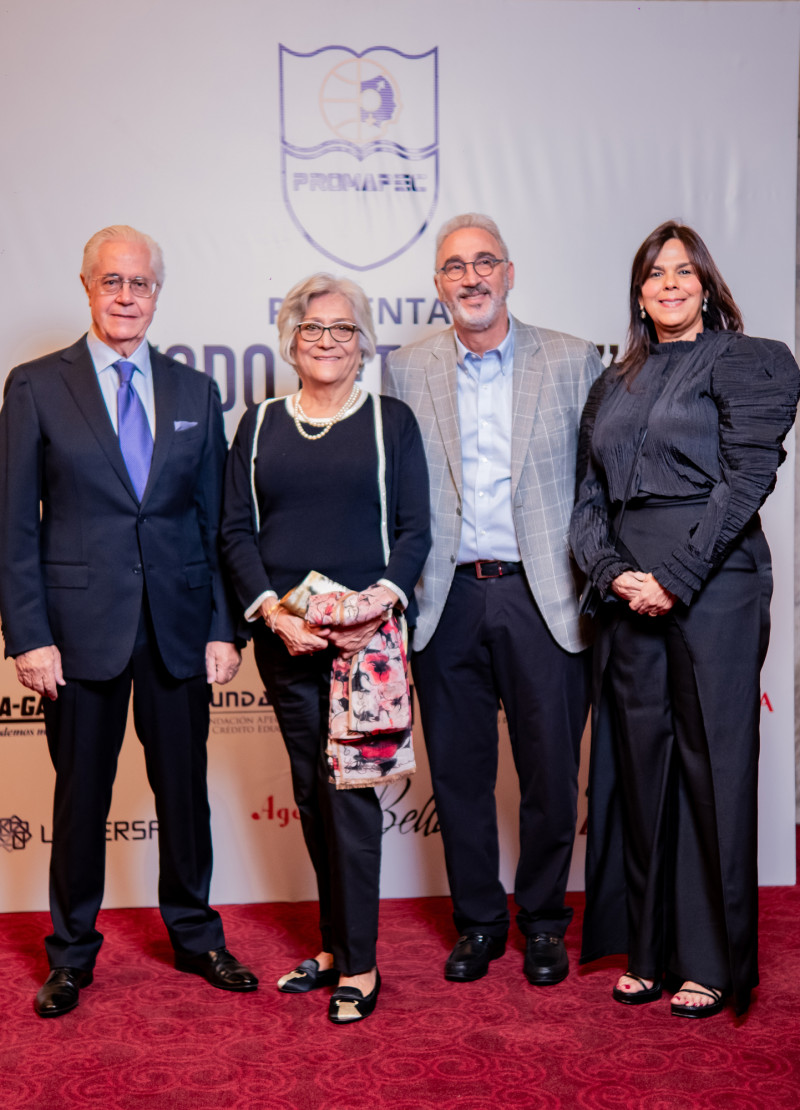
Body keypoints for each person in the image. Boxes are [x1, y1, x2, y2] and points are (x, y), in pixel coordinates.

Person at [0, 225, 257, 1018]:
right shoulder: (37, 385)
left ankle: (196, 935)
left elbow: (216, 524)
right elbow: (14, 525)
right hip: (77, 636)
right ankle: (72, 953)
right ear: (85, 286)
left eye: (139, 283)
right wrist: (30, 634)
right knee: (82, 796)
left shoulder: (194, 391)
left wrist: (224, 627)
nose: (125, 295)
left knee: (184, 794)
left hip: (180, 626)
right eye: (111, 281)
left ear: (156, 293)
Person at [569, 220, 800, 1018]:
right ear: (638, 291)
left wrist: (677, 575)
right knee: (639, 769)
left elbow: (748, 477)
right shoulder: (613, 380)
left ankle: (709, 959)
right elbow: (588, 499)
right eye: (653, 273)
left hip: (716, 582)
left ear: (705, 282)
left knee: (712, 766)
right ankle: (650, 948)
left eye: (682, 271)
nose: (668, 284)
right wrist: (612, 571)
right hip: (628, 590)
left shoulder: (747, 360)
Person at [383, 214, 603, 986]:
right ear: (438, 284)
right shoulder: (406, 370)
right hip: (445, 600)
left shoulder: (574, 360)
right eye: (453, 267)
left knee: (549, 775)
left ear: (510, 273)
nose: (470, 278)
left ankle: (543, 920)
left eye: (484, 263)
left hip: (543, 598)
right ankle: (478, 921)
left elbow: (600, 486)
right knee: (460, 776)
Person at [221, 273, 430, 1023]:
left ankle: (363, 965)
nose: (329, 342)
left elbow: (414, 533)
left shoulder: (391, 422)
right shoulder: (260, 424)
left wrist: (374, 606)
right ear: (291, 339)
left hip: (364, 647)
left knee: (350, 798)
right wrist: (273, 614)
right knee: (311, 794)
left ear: (364, 342)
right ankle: (337, 945)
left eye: (344, 330)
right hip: (289, 639)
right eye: (314, 330)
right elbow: (235, 532)